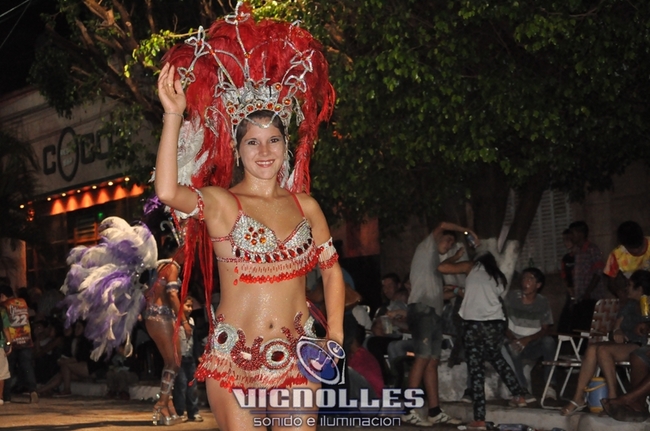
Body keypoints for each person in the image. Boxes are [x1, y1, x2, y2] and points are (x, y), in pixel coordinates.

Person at [155, 4, 344, 431]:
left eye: (274, 140)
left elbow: (331, 271)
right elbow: (166, 191)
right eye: (253, 142)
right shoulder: (222, 203)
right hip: (235, 363)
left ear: (286, 145)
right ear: (236, 150)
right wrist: (173, 115)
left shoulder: (306, 206)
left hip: (300, 358)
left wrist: (335, 337)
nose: (264, 152)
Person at [439, 251, 528, 430]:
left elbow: (442, 267)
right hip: (495, 324)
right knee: (497, 359)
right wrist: (457, 290)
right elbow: (482, 296)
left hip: (474, 324)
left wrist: (455, 256)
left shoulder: (472, 266)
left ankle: (479, 419)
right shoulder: (499, 277)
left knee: (476, 368)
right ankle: (519, 395)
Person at [400, 223, 476, 426]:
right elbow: (442, 224)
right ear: (437, 238)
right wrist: (467, 231)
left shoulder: (434, 265)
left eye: (452, 243)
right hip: (422, 310)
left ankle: (434, 410)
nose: (449, 244)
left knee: (432, 361)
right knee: (422, 357)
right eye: (448, 240)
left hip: (434, 313)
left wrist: (457, 291)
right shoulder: (426, 247)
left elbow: (440, 296)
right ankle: (408, 409)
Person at [560, 269, 650, 416]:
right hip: (624, 344)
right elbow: (616, 327)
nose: (626, 288)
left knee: (603, 350)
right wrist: (617, 331)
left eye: (629, 285)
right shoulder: (629, 306)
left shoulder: (646, 306)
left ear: (639, 289)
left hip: (640, 344)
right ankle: (578, 398)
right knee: (592, 349)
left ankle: (612, 399)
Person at [143, 238, 185, 425]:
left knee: (170, 362)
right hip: (162, 317)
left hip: (152, 318)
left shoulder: (158, 266)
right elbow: (172, 294)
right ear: (177, 251)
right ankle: (161, 404)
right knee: (174, 362)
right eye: (185, 251)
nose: (187, 256)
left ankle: (168, 409)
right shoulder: (171, 266)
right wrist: (184, 320)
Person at [503, 267, 557, 400]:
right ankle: (522, 388)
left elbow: (545, 329)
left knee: (549, 341)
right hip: (514, 341)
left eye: (530, 279)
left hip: (532, 344)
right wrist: (513, 338)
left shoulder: (542, 302)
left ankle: (550, 386)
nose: (525, 282)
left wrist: (527, 339)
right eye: (524, 278)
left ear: (538, 285)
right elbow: (502, 322)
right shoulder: (512, 297)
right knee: (512, 348)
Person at [0, 284, 38, 404]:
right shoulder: (22, 302)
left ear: (2, 296)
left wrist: (7, 342)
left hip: (12, 339)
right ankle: (33, 390)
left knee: (8, 368)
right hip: (26, 339)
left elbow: (4, 324)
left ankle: (6, 396)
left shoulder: (4, 305)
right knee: (27, 366)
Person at [569, 221, 606, 331]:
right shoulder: (577, 251)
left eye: (572, 233)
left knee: (589, 329)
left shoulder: (592, 249)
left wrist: (588, 292)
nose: (571, 236)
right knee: (578, 329)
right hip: (580, 298)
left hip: (591, 298)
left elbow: (598, 272)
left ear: (581, 234)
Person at [172, 296, 203, 422]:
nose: (190, 309)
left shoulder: (191, 321)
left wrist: (198, 355)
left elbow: (195, 340)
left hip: (190, 358)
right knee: (181, 385)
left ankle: (193, 412)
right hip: (179, 358)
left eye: (191, 306)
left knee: (192, 386)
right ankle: (179, 412)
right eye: (187, 306)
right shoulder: (174, 320)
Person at [604, 220, 650, 301]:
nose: (637, 251)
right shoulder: (617, 255)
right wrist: (619, 292)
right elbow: (611, 282)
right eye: (632, 248)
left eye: (640, 246)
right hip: (634, 300)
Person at [0, 305, 11, 406]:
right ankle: (0, 397)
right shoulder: (2, 311)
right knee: (1, 373)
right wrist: (9, 343)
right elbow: (5, 329)